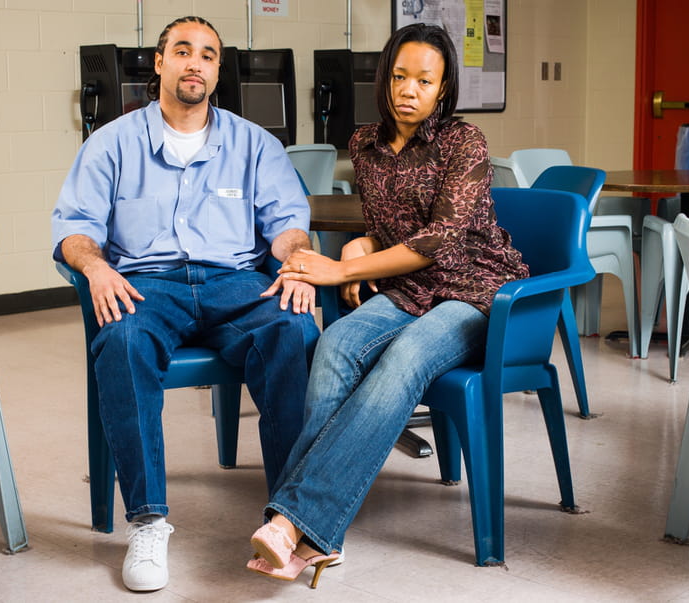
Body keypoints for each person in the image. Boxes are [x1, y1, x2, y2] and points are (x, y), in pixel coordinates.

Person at [245, 23, 530, 587]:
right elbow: (393, 229)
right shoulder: (364, 144)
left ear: (443, 88)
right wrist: (362, 242)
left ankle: (292, 522)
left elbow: (440, 239)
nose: (408, 90)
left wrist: (345, 267)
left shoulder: (463, 142)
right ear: (384, 79)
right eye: (400, 77)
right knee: (334, 344)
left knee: (404, 360)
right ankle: (320, 535)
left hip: (474, 291)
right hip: (410, 289)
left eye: (424, 80)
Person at [51, 16, 320, 592]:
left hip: (237, 284)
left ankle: (289, 520)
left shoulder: (255, 145)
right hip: (149, 286)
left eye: (208, 55)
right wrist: (95, 266)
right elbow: (75, 229)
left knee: (293, 331)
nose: (195, 63)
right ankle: (148, 522)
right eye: (183, 51)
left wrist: (297, 259)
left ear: (218, 70)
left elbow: (287, 226)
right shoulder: (111, 144)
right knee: (120, 341)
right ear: (160, 62)